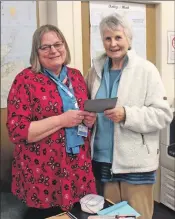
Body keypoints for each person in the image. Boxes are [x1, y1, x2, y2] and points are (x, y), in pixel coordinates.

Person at [85, 14, 173, 219]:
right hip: (102, 162)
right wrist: (87, 119)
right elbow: (88, 107)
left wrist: (127, 114)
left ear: (129, 39)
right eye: (107, 38)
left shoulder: (146, 70)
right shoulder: (94, 71)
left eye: (118, 37)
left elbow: (163, 115)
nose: (113, 44)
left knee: (137, 216)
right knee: (108, 216)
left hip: (136, 165)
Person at [6, 24, 97, 215]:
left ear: (65, 46)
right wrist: (62, 120)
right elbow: (18, 131)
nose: (53, 50)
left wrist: (89, 120)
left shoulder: (77, 76)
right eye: (45, 47)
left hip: (77, 166)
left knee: (78, 213)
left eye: (58, 44)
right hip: (42, 172)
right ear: (36, 52)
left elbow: (81, 115)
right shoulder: (25, 80)